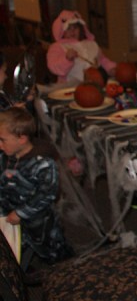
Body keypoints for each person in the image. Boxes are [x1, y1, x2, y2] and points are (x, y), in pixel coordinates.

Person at [0, 107, 72, 265]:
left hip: (39, 221)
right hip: (10, 216)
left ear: (22, 138)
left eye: (2, 140)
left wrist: (21, 213)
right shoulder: (5, 157)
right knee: (17, 250)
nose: (0, 145)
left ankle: (64, 271)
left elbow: (47, 194)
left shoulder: (43, 164)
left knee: (53, 251)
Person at [47, 10, 116, 84]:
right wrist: (67, 59)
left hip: (94, 83)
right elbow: (54, 67)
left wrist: (111, 68)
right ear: (61, 31)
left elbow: (102, 59)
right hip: (69, 87)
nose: (72, 31)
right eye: (69, 28)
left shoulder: (90, 44)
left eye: (75, 28)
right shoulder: (57, 47)